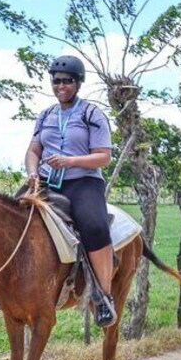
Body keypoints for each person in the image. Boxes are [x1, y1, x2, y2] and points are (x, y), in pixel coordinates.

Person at [23, 55, 117, 327]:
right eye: (56, 81)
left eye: (67, 81)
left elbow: (103, 157)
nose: (60, 86)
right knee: (10, 215)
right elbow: (33, 150)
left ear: (77, 83)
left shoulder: (92, 114)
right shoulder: (45, 115)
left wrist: (70, 161)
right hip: (46, 180)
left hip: (83, 181)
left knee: (95, 226)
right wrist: (32, 173)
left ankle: (103, 296)